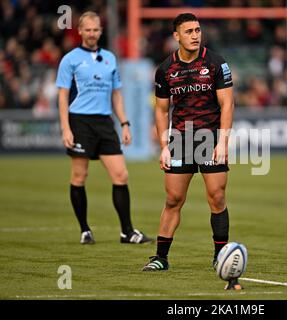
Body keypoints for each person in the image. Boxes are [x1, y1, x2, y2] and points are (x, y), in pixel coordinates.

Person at [142, 13, 234, 271]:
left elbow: (227, 103)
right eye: (189, 31)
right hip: (180, 139)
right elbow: (161, 111)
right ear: (176, 36)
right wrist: (163, 146)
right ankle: (160, 257)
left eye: (197, 30)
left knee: (216, 196)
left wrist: (223, 141)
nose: (195, 35)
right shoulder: (165, 70)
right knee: (173, 199)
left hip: (210, 137)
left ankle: (220, 256)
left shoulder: (216, 63)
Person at [56, 11, 153, 245]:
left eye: (95, 29)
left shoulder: (110, 58)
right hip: (80, 121)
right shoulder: (69, 60)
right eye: (87, 29)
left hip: (104, 122)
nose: (92, 33)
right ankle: (85, 230)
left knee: (121, 175)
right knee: (80, 176)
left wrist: (125, 123)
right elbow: (62, 96)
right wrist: (66, 128)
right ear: (80, 31)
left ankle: (127, 232)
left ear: (101, 31)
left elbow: (116, 95)